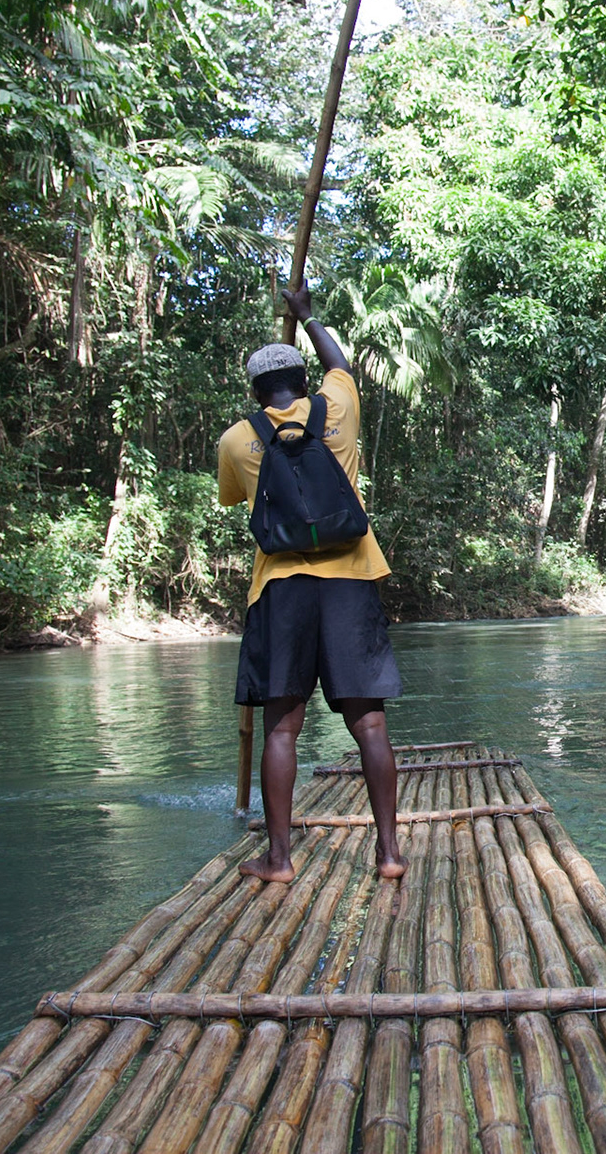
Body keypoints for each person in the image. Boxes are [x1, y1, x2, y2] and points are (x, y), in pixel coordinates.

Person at [217, 283, 405, 882]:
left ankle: (278, 859)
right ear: (305, 380)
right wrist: (306, 314)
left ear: (255, 392)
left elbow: (235, 500)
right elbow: (341, 364)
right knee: (369, 723)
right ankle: (390, 855)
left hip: (282, 591)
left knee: (283, 727)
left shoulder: (237, 440)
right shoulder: (339, 408)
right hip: (350, 582)